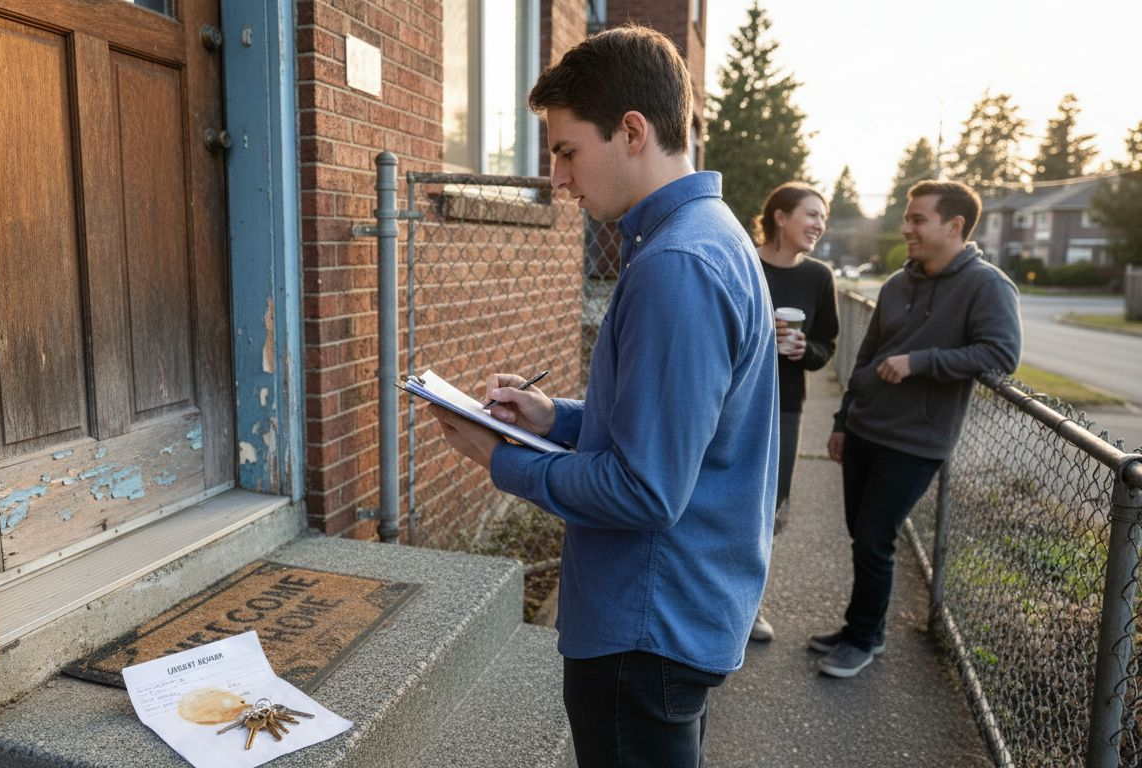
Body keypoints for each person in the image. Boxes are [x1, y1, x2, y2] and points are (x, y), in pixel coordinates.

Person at [428, 25, 778, 767]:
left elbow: (646, 490)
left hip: (645, 630)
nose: (557, 179)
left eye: (564, 151)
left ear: (631, 131)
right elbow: (677, 434)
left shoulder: (677, 264)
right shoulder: (705, 237)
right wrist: (554, 419)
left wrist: (503, 461)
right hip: (671, 615)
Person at [812, 179, 1021, 678]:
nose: (906, 228)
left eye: (917, 219)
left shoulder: (987, 286)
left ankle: (862, 639)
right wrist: (843, 420)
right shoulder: (896, 284)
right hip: (864, 428)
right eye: (907, 218)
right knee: (860, 537)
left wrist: (920, 362)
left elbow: (1000, 354)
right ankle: (865, 627)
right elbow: (866, 356)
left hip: (916, 441)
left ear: (954, 226)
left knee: (873, 537)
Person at [748, 183, 839, 642]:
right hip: (733, 400)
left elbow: (826, 347)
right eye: (811, 214)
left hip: (786, 405)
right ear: (780, 217)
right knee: (723, 494)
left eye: (823, 217)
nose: (819, 225)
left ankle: (749, 604)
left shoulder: (819, 278)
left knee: (771, 504)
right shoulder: (742, 260)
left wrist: (806, 350)